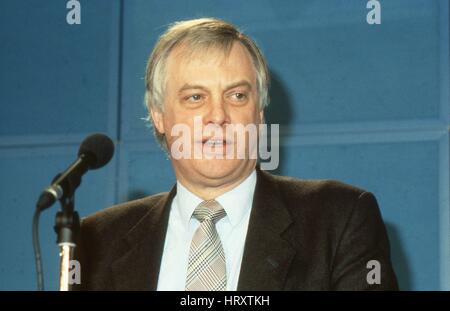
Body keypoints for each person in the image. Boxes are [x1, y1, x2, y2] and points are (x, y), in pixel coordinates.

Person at [73, 17, 398, 291]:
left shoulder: (339, 218)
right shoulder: (96, 241)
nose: (218, 115)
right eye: (196, 97)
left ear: (258, 114)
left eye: (237, 95)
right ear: (159, 116)